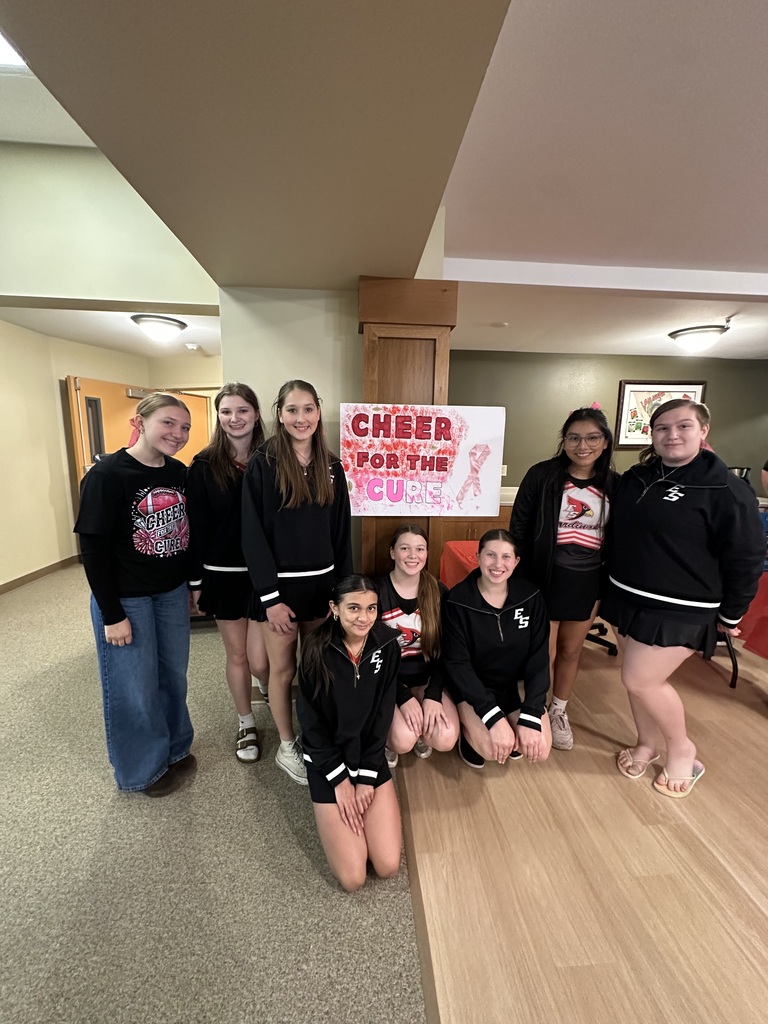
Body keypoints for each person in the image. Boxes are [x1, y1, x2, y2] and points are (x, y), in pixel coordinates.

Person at [602, 399, 765, 798]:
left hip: (682, 607)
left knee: (640, 679)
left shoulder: (726, 488)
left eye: (683, 426)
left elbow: (746, 556)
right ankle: (646, 743)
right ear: (652, 435)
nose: (672, 435)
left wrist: (733, 611)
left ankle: (682, 749)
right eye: (662, 428)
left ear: (703, 431)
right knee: (639, 681)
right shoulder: (640, 477)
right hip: (628, 595)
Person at [74, 393, 196, 797]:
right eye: (168, 423)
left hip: (171, 594)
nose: (177, 433)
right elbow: (91, 548)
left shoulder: (178, 473)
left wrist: (191, 587)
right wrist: (112, 614)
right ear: (140, 421)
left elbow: (185, 536)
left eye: (184, 427)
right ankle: (143, 770)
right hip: (127, 601)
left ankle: (175, 748)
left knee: (172, 678)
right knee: (134, 687)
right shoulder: (107, 475)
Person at [242, 379, 353, 784]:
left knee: (319, 668)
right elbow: (252, 534)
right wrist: (270, 598)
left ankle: (316, 736)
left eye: (308, 409)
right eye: (292, 410)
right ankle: (287, 746)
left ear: (318, 412)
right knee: (282, 670)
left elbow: (342, 534)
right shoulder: (264, 462)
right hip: (280, 592)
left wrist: (342, 594)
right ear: (280, 414)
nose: (300, 418)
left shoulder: (332, 465)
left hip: (322, 591)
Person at [510, 406, 618, 750]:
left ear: (604, 443)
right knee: (543, 652)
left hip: (588, 581)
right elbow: (520, 528)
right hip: (544, 577)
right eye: (574, 437)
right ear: (564, 441)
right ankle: (536, 710)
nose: (582, 445)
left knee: (571, 650)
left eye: (591, 438)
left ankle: (559, 710)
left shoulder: (616, 485)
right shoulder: (542, 475)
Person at [297, 575, 402, 892]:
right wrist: (341, 782)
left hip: (366, 753)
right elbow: (310, 723)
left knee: (387, 866)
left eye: (371, 608)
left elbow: (383, 714)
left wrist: (367, 776)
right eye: (353, 608)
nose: (364, 617)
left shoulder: (386, 644)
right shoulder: (316, 650)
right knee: (353, 878)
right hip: (327, 758)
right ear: (335, 609)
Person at [186, 382, 269, 763]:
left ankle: (269, 689)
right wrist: (197, 583)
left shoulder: (273, 458)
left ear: (255, 414)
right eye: (226, 412)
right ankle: (246, 723)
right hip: (223, 573)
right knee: (238, 655)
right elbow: (196, 528)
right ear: (218, 417)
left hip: (266, 575)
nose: (234, 419)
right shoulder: (204, 465)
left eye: (242, 410)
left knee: (262, 659)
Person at [442, 530, 552, 769]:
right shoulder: (458, 600)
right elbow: (457, 664)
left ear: (516, 561)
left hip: (514, 684)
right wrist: (490, 715)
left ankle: (510, 726)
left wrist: (532, 713)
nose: (498, 564)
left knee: (540, 747)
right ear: (478, 556)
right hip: (474, 688)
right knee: (492, 749)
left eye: (506, 557)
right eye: (490, 555)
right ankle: (470, 734)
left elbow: (539, 658)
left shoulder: (531, 597)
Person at [376, 525, 459, 767]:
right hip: (388, 681)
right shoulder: (376, 592)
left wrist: (433, 694)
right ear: (392, 553)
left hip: (426, 679)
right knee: (402, 741)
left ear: (426, 554)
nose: (413, 555)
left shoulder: (439, 592)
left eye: (420, 549)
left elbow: (450, 652)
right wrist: (401, 696)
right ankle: (387, 737)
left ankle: (420, 722)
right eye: (405, 548)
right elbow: (370, 656)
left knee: (445, 738)